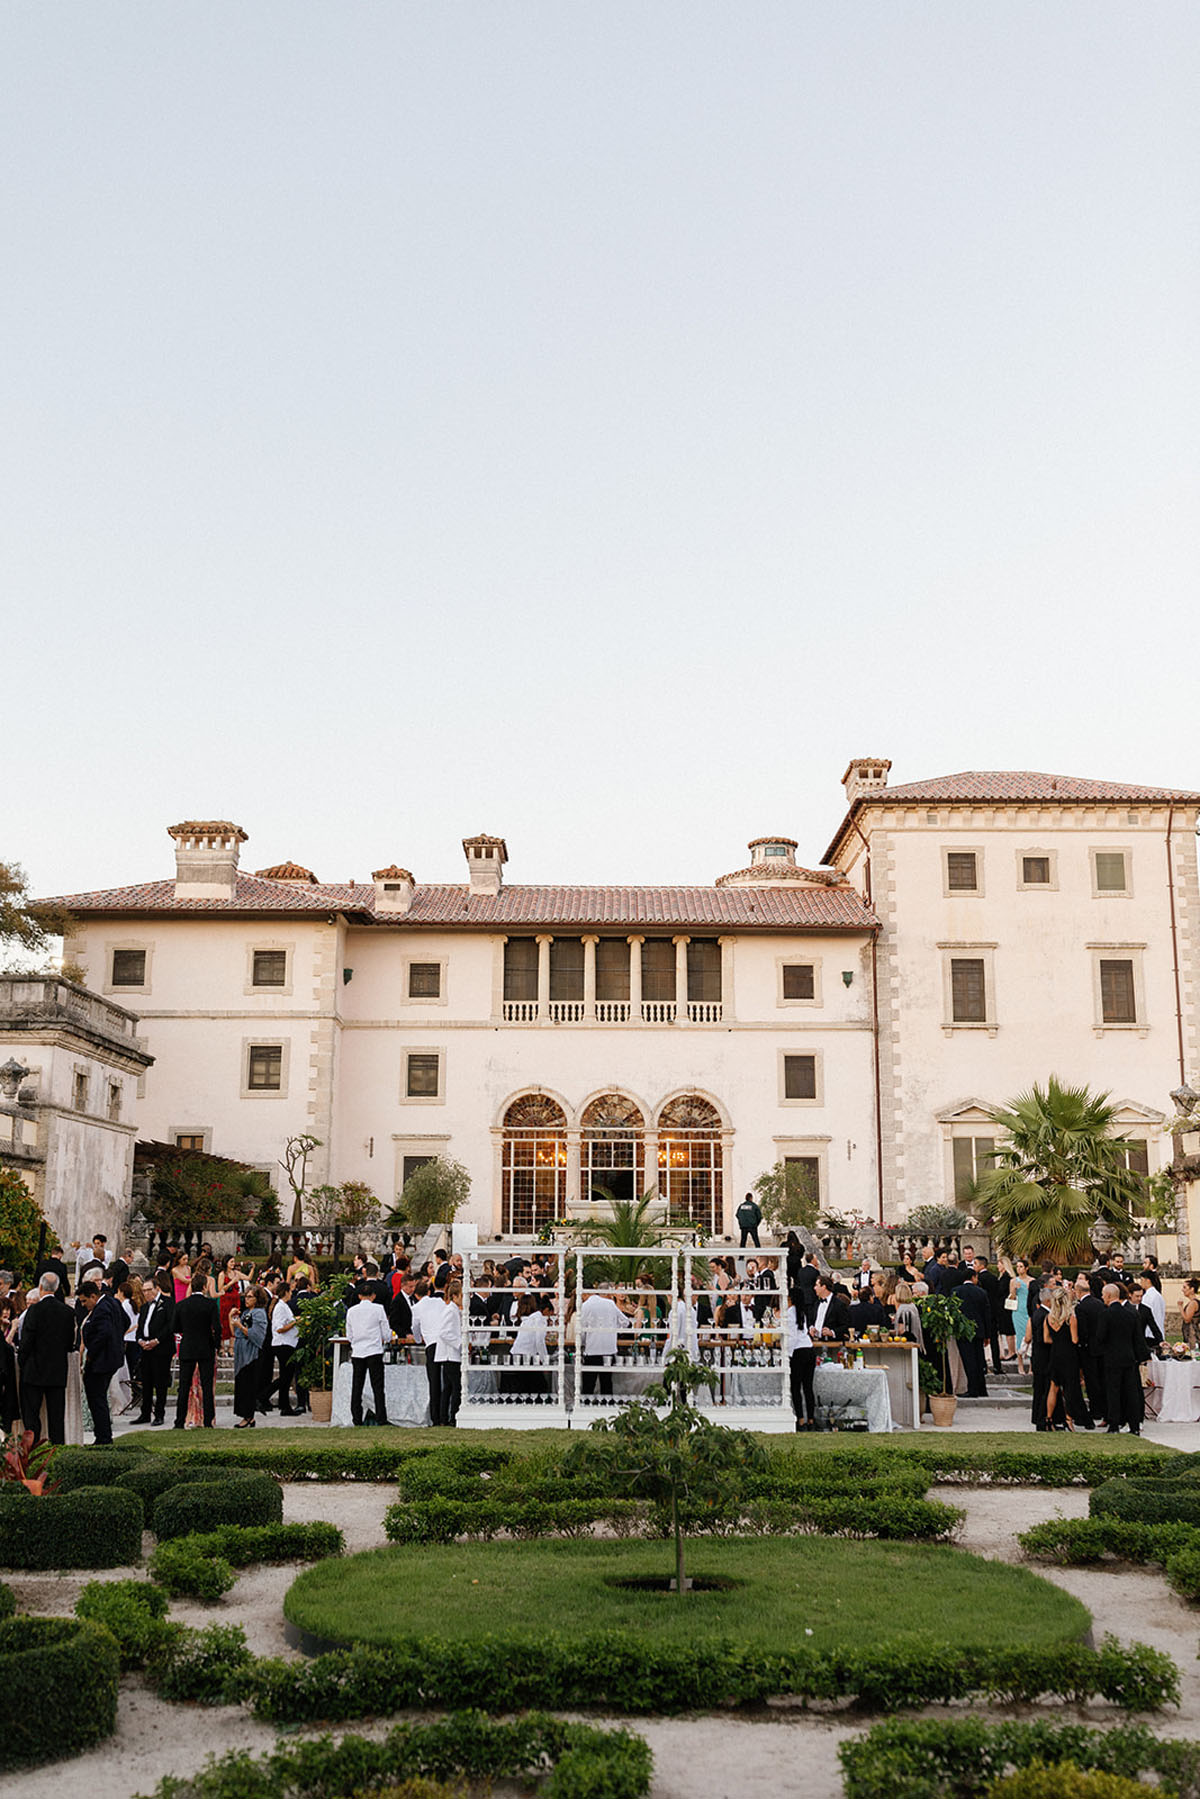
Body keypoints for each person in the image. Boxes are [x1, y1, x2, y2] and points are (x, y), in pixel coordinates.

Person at [18, 1272, 76, 1444]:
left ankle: (32, 1450)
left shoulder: (34, 1310)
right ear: (57, 1288)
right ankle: (57, 1450)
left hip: (33, 1370)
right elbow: (68, 1343)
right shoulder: (67, 1312)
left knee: (31, 1416)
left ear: (40, 1287)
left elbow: (26, 1341)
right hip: (57, 1371)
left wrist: (23, 1362)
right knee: (56, 1417)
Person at [78, 1278, 126, 1446]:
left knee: (96, 1398)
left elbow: (103, 1333)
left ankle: (103, 1436)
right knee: (98, 1397)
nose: (84, 1305)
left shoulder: (102, 1308)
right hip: (110, 1357)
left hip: (102, 1360)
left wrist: (92, 1352)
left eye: (85, 1301)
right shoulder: (113, 1303)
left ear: (93, 1296)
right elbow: (124, 1322)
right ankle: (103, 1435)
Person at [1094, 1281, 1144, 1434]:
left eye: (1103, 1295)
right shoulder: (1131, 1313)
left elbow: (1100, 1337)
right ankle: (1135, 1425)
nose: (1102, 1298)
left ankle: (1114, 1424)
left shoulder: (1105, 1314)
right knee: (1131, 1392)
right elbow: (1137, 1338)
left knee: (1113, 1392)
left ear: (1108, 1296)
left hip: (1112, 1358)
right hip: (1129, 1357)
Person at [172, 1273, 220, 1429]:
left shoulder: (181, 1305)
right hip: (206, 1346)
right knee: (206, 1386)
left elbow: (175, 1327)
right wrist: (216, 1345)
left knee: (184, 1386)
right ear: (205, 1287)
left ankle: (179, 1421)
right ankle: (208, 1421)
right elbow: (217, 1328)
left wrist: (187, 1330)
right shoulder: (210, 1305)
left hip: (188, 1346)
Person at [344, 1280, 391, 1426]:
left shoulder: (351, 1311)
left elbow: (349, 1334)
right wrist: (386, 1339)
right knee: (378, 1387)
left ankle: (356, 1418)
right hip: (374, 1350)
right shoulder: (378, 1309)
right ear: (373, 1296)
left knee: (357, 1386)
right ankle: (381, 1418)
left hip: (358, 1351)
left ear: (359, 1296)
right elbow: (386, 1332)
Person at [1043, 1287, 1090, 1431]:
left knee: (1053, 1388)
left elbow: (1046, 1339)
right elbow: (1074, 1339)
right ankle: (1068, 1418)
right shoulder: (1070, 1318)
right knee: (1070, 1389)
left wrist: (1057, 1341)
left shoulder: (1048, 1318)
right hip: (1069, 1355)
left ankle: (1048, 1418)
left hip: (1055, 1354)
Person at [135, 1273, 176, 1425]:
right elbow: (141, 1326)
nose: (146, 1293)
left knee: (160, 1383)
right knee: (146, 1382)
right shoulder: (144, 1307)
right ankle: (145, 1413)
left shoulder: (167, 1303)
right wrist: (140, 1340)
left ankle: (159, 1414)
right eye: (144, 1291)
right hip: (146, 1348)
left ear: (157, 1288)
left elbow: (170, 1325)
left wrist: (156, 1340)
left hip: (161, 1349)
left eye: (148, 1290)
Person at [577, 1286, 629, 1395]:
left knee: (588, 1384)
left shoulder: (585, 1306)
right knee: (607, 1383)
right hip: (609, 1349)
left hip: (592, 1349)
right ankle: (607, 1407)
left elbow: (580, 1330)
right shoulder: (610, 1303)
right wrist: (614, 1331)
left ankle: (586, 1407)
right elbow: (626, 1322)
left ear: (584, 1294)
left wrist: (581, 1344)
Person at [412, 1279, 448, 1425]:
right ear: (429, 1292)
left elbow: (415, 1327)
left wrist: (418, 1338)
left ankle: (435, 1417)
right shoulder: (439, 1302)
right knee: (447, 1380)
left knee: (434, 1382)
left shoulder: (416, 1307)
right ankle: (445, 1415)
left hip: (431, 1344)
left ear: (416, 1295)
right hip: (444, 1342)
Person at [232, 1287, 269, 1428]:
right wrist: (233, 1318)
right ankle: (247, 1416)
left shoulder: (259, 1314)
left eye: (250, 1297)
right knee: (242, 1384)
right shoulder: (247, 1312)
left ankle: (248, 1416)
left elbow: (257, 1335)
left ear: (257, 1299)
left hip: (251, 1354)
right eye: (246, 1296)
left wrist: (240, 1326)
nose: (246, 1299)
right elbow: (236, 1332)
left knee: (248, 1385)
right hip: (241, 1353)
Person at [1074, 1273, 1107, 1427]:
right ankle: (1102, 1408)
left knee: (1091, 1381)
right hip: (1101, 1348)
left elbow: (1083, 1331)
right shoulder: (1100, 1304)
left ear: (1078, 1292)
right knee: (1101, 1379)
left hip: (1088, 1350)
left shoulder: (1081, 1308)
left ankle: (1095, 1410)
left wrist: (1081, 1345)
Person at [955, 1264, 991, 1398]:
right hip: (979, 1330)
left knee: (968, 1360)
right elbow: (987, 1314)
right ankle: (982, 1388)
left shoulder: (956, 1291)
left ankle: (973, 1388)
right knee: (979, 1359)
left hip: (963, 1331)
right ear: (973, 1277)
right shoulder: (981, 1292)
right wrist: (988, 1334)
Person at [786, 1287, 816, 1431]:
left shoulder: (790, 1313)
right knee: (808, 1387)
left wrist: (788, 1354)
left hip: (797, 1352)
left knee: (796, 1388)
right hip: (809, 1349)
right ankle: (811, 1419)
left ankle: (801, 1419)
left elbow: (792, 1337)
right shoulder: (801, 1312)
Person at [435, 1279, 464, 1425]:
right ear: (454, 1296)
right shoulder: (450, 1311)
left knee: (448, 1388)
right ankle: (453, 1417)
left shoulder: (454, 1311)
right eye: (461, 1295)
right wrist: (461, 1345)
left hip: (449, 1355)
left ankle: (444, 1418)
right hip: (449, 1355)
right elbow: (445, 1333)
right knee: (456, 1387)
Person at [270, 1281, 301, 1415]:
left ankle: (284, 1405)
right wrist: (296, 1322)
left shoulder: (284, 1306)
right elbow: (280, 1328)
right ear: (286, 1292)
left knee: (286, 1376)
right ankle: (265, 1395)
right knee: (286, 1376)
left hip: (287, 1344)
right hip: (283, 1344)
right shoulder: (281, 1307)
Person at [1010, 1260, 1032, 1375]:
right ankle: (1020, 1364)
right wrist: (1014, 1289)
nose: (1019, 1268)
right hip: (1018, 1311)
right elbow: (1011, 1297)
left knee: (1031, 1337)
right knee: (1019, 1336)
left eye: (1021, 1266)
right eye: (1017, 1266)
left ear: (1026, 1268)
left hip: (1029, 1310)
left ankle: (1031, 1367)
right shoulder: (1013, 1281)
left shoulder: (1032, 1280)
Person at [812, 1276, 850, 1341]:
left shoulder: (838, 1304)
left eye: (816, 1285)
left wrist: (832, 1332)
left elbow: (845, 1325)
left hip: (831, 1343)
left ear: (824, 1287)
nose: (814, 1288)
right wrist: (811, 1327)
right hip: (815, 1341)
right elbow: (811, 1320)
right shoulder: (816, 1303)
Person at [1181, 1278, 1200, 1350]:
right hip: (1191, 1334)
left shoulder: (1193, 1303)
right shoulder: (1194, 1302)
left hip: (1192, 1336)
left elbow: (1187, 1319)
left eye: (1185, 1287)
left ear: (1192, 1289)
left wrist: (1180, 1307)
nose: (1182, 1290)